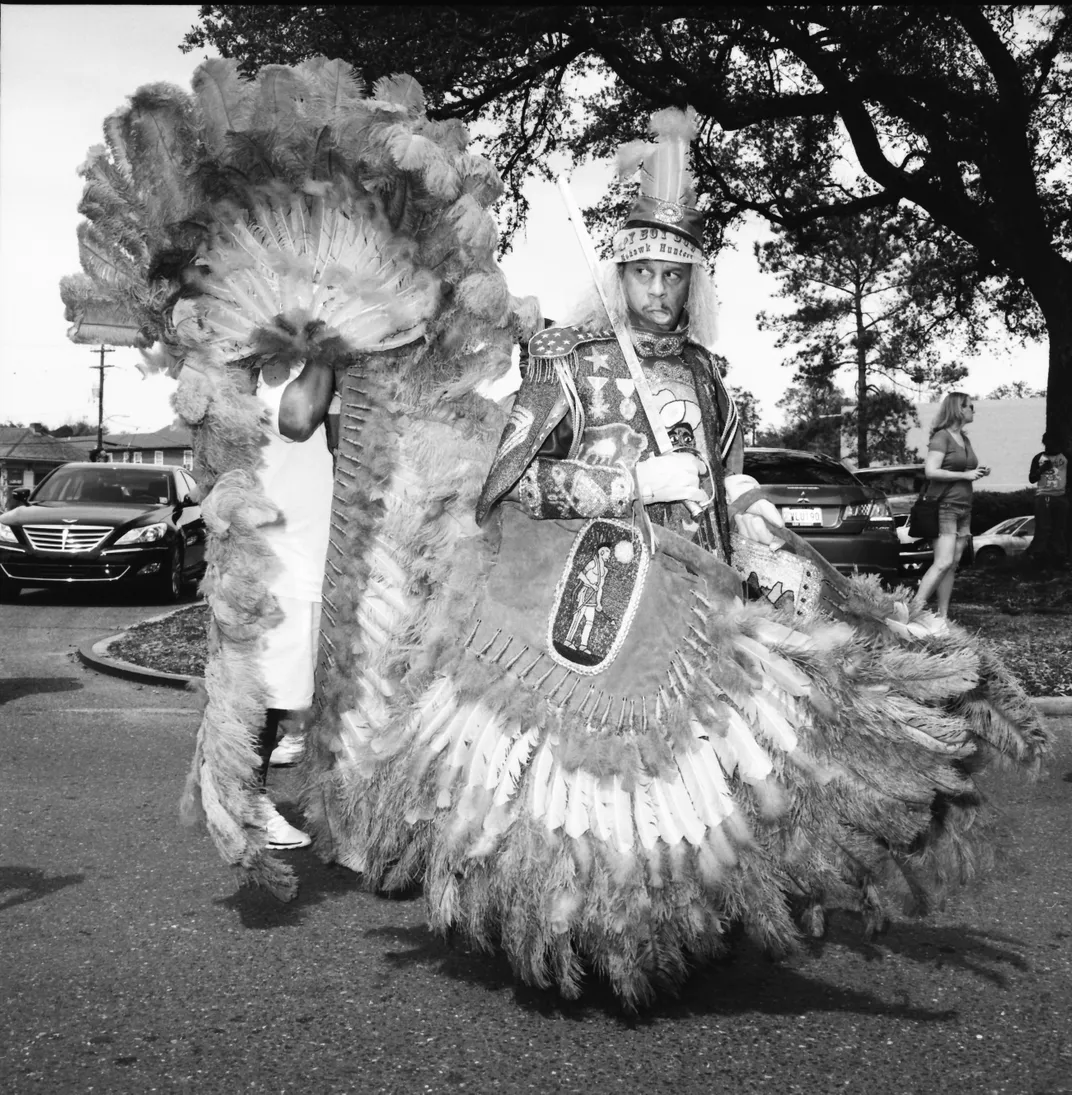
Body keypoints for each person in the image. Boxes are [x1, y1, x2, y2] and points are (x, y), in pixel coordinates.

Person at [248, 356, 338, 848]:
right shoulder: (265, 370)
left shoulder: (312, 365)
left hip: (313, 557)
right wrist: (331, 341)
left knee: (297, 694)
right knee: (264, 699)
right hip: (278, 565)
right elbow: (298, 420)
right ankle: (249, 804)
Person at [910, 392, 990, 621]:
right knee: (943, 561)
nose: (974, 410)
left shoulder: (964, 439)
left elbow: (964, 471)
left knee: (953, 564)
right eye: (970, 406)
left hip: (965, 507)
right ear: (958, 409)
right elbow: (931, 471)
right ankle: (914, 611)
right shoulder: (941, 437)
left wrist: (977, 472)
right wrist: (965, 474)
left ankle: (942, 617)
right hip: (945, 507)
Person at [1027, 431, 1070, 569]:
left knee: (1060, 529)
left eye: (1055, 444)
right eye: (1049, 444)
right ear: (1044, 443)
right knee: (1043, 528)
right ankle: (1038, 558)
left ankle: (1060, 559)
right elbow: (1032, 478)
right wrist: (1041, 469)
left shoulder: (1066, 458)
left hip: (1061, 497)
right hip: (1043, 496)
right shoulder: (1039, 458)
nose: (1052, 447)